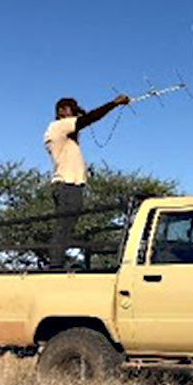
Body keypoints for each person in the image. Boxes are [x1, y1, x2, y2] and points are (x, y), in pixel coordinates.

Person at [44, 94, 129, 267]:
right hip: (68, 185)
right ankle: (55, 266)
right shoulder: (58, 126)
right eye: (72, 110)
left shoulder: (64, 135)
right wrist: (113, 104)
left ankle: (57, 263)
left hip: (69, 186)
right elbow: (88, 119)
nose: (75, 114)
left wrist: (80, 114)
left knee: (66, 226)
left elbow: (83, 120)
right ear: (61, 111)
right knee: (64, 227)